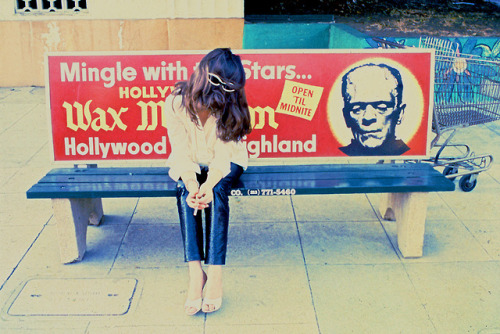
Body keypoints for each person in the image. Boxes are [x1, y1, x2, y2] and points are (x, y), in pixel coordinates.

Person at [164, 48, 252, 315]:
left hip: (227, 162)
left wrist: (210, 184)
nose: (220, 93)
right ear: (201, 72)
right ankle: (195, 274)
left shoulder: (229, 105)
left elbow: (223, 158)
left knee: (218, 192)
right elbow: (179, 151)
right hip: (191, 160)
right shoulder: (175, 103)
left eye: (228, 87)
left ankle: (215, 275)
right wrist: (192, 185)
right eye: (216, 82)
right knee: (184, 192)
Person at [339, 63, 410, 156]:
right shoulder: (335, 154)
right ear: (346, 117)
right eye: (357, 109)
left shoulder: (410, 154)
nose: (368, 118)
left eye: (382, 108)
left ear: (400, 114)